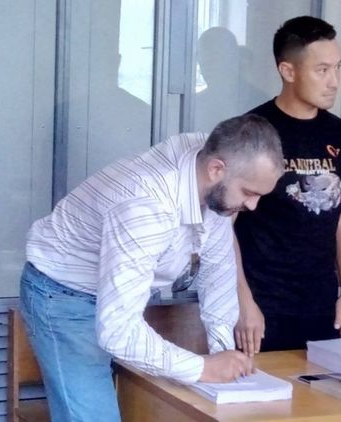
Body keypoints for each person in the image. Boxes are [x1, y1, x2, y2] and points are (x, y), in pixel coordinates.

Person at [20, 114, 283, 421]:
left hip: (120, 298)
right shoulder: (147, 204)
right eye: (249, 193)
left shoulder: (210, 161)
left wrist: (225, 355)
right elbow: (118, 331)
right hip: (64, 296)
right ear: (216, 169)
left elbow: (218, 266)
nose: (252, 206)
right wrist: (203, 368)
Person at [233, 16, 341, 355]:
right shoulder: (252, 132)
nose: (334, 81)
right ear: (288, 71)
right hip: (263, 304)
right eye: (322, 70)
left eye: (337, 67)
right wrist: (242, 300)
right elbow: (223, 227)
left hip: (321, 303)